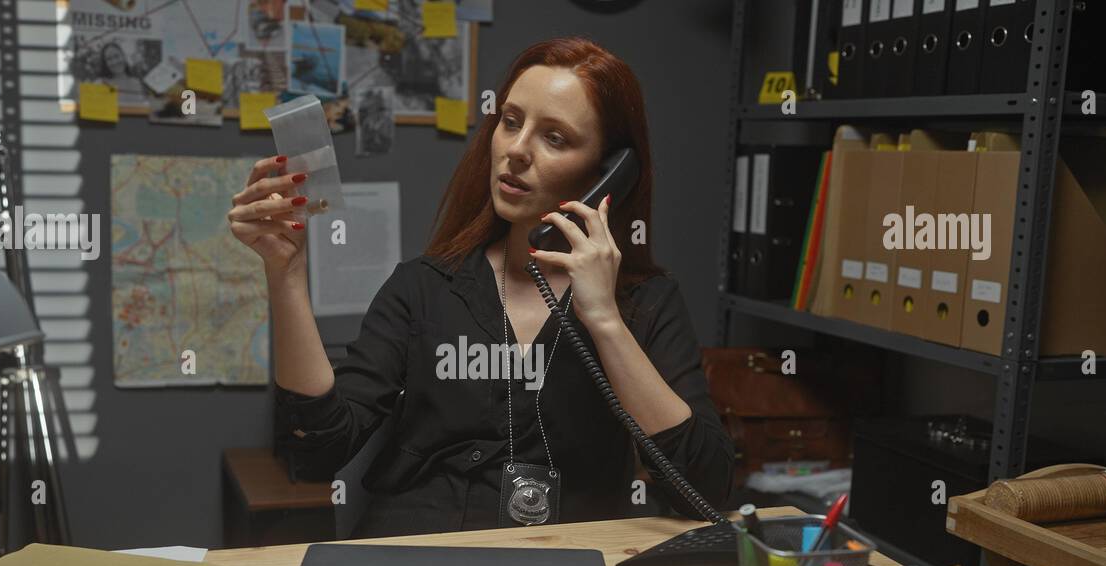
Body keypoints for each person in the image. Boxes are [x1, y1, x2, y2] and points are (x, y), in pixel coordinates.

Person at [227, 36, 734, 538]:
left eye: (554, 138)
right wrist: (287, 277)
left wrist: (604, 319)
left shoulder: (647, 303)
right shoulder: (424, 286)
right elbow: (318, 450)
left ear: (608, 173)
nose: (516, 150)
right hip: (419, 553)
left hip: (569, 564)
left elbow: (705, 488)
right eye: (511, 123)